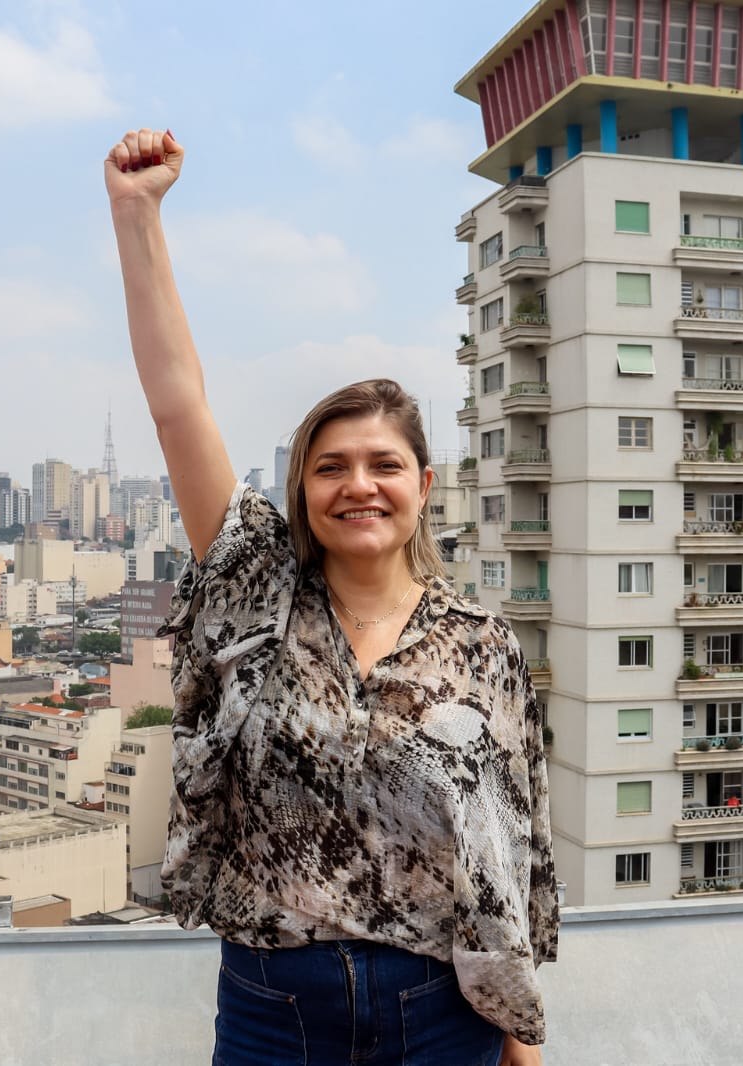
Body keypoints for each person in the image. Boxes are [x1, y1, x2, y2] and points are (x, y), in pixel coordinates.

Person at [106, 127, 558, 1066]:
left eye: (384, 464)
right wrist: (137, 212)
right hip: (278, 1006)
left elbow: (510, 848)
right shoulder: (260, 592)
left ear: (423, 485)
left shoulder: (480, 644)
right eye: (332, 466)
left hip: (442, 1010)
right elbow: (177, 403)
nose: (361, 485)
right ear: (303, 488)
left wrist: (519, 1030)